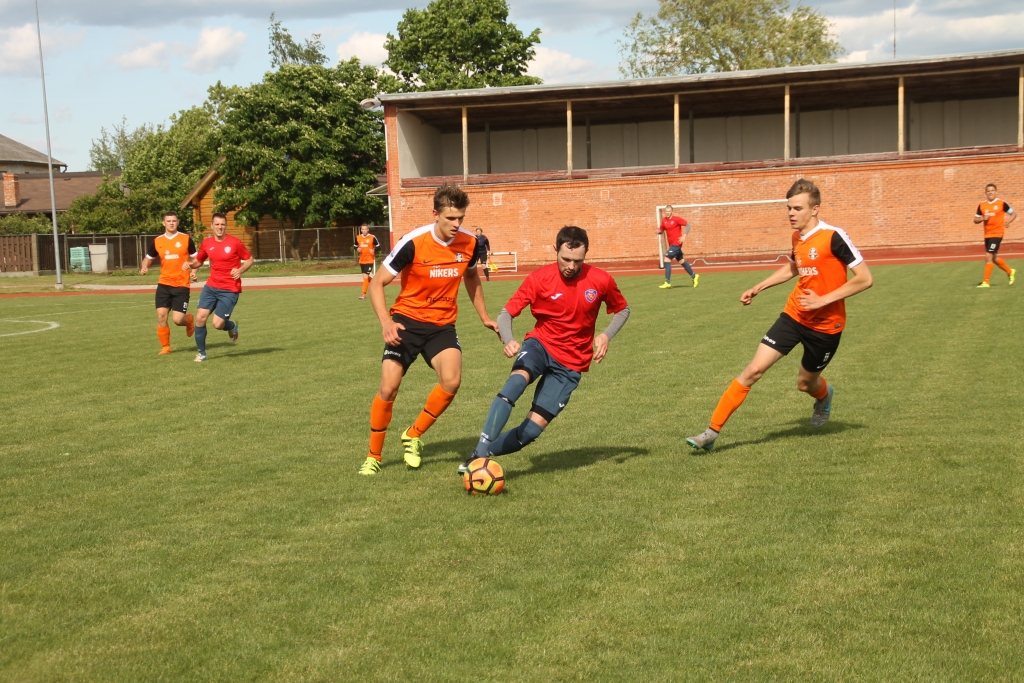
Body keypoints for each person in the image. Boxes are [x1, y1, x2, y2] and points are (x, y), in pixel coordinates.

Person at [686, 178, 873, 451]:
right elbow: (793, 268)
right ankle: (711, 433)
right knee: (753, 370)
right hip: (794, 316)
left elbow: (865, 279)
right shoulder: (797, 237)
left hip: (826, 327)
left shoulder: (834, 236)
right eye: (789, 208)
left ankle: (823, 395)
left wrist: (823, 300)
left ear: (815, 209)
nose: (790, 214)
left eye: (797, 208)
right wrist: (758, 286)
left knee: (804, 383)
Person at [460, 226, 630, 473]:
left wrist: (606, 335)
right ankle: (481, 451)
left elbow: (623, 309)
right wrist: (508, 339)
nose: (571, 266)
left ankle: (480, 456)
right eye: (565, 259)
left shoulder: (601, 280)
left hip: (572, 364)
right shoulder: (539, 278)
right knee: (515, 384)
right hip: (540, 345)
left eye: (577, 261)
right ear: (555, 251)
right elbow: (507, 313)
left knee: (528, 433)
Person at [359, 184, 499, 476]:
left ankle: (413, 434)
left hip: (442, 325)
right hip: (405, 322)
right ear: (435, 214)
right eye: (450, 218)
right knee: (388, 388)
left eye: (460, 218)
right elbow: (376, 283)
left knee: (452, 381)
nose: (456, 224)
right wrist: (386, 322)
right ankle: (374, 456)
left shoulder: (470, 243)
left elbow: (472, 277)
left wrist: (484, 316)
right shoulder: (413, 242)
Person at [186, 212, 254, 362]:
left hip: (230, 289)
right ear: (211, 226)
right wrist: (191, 265)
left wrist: (240, 270)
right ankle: (201, 353)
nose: (220, 227)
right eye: (217, 224)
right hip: (211, 286)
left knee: (217, 324)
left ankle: (231, 326)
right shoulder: (207, 243)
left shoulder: (235, 242)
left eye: (222, 224)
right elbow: (198, 261)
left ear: (226, 226)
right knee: (200, 318)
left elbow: (249, 259)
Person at [140, 211, 196, 354]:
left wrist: (193, 269)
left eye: (174, 220)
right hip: (164, 284)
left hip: (181, 285)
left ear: (178, 222)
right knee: (161, 316)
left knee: (177, 320)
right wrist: (144, 265)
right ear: (163, 223)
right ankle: (166, 347)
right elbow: (148, 257)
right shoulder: (157, 241)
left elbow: (196, 258)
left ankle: (188, 320)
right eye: (168, 221)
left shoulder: (186, 239)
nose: (171, 223)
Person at [974, 183, 1016, 288]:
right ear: (986, 193)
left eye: (992, 190)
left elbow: (1014, 213)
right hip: (987, 234)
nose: (990, 192)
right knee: (994, 258)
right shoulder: (982, 205)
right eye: (988, 191)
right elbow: (975, 219)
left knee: (988, 255)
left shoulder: (1002, 203)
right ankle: (1010, 271)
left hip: (997, 233)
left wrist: (1008, 221)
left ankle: (986, 282)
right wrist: (983, 218)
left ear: (995, 192)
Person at [658, 205, 698, 289]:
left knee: (666, 260)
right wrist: (659, 232)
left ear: (672, 212)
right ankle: (694, 276)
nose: (667, 213)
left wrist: (684, 236)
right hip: (672, 244)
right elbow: (662, 230)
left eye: (669, 211)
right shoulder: (664, 220)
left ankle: (667, 282)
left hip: (677, 243)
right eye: (666, 211)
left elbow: (688, 225)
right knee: (681, 261)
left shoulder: (676, 219)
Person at [355, 223, 381, 299]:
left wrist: (374, 250)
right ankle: (375, 282)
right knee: (365, 277)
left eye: (365, 229)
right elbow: (355, 245)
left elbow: (379, 246)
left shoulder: (372, 237)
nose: (364, 230)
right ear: (361, 230)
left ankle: (363, 294)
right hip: (362, 260)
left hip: (369, 260)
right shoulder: (358, 237)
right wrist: (357, 249)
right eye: (362, 229)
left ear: (368, 229)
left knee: (365, 277)